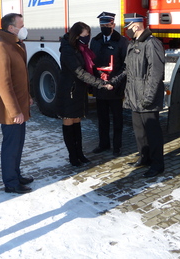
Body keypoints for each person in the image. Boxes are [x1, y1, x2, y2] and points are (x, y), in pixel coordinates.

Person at [111, 13, 165, 178]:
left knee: (152, 133)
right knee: (139, 132)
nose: (126, 31)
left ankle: (157, 164)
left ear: (136, 25)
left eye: (128, 28)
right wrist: (114, 81)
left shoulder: (152, 44)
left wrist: (148, 98)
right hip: (134, 97)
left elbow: (155, 74)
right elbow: (127, 69)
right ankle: (144, 158)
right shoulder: (132, 44)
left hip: (146, 98)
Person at [0, 13, 34, 195]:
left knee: (18, 143)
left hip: (20, 105)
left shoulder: (15, 44)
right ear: (11, 28)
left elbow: (20, 76)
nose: (24, 28)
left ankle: (16, 174)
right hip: (10, 110)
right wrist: (15, 111)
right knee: (11, 146)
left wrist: (28, 96)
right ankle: (11, 183)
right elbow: (3, 84)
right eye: (21, 25)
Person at [58, 21, 113, 166]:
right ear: (77, 35)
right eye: (85, 34)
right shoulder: (67, 50)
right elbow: (79, 72)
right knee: (69, 122)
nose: (88, 37)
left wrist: (101, 73)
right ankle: (73, 156)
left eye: (88, 34)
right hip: (69, 92)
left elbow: (89, 67)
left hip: (78, 91)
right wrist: (100, 84)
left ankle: (80, 153)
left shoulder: (82, 48)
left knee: (77, 122)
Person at [90, 12, 129, 157]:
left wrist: (115, 82)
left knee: (117, 119)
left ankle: (117, 146)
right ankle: (103, 144)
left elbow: (126, 66)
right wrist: (96, 81)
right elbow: (92, 63)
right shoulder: (95, 40)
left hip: (115, 87)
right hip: (100, 86)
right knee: (102, 118)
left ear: (113, 24)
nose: (105, 27)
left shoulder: (122, 41)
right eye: (102, 25)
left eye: (108, 24)